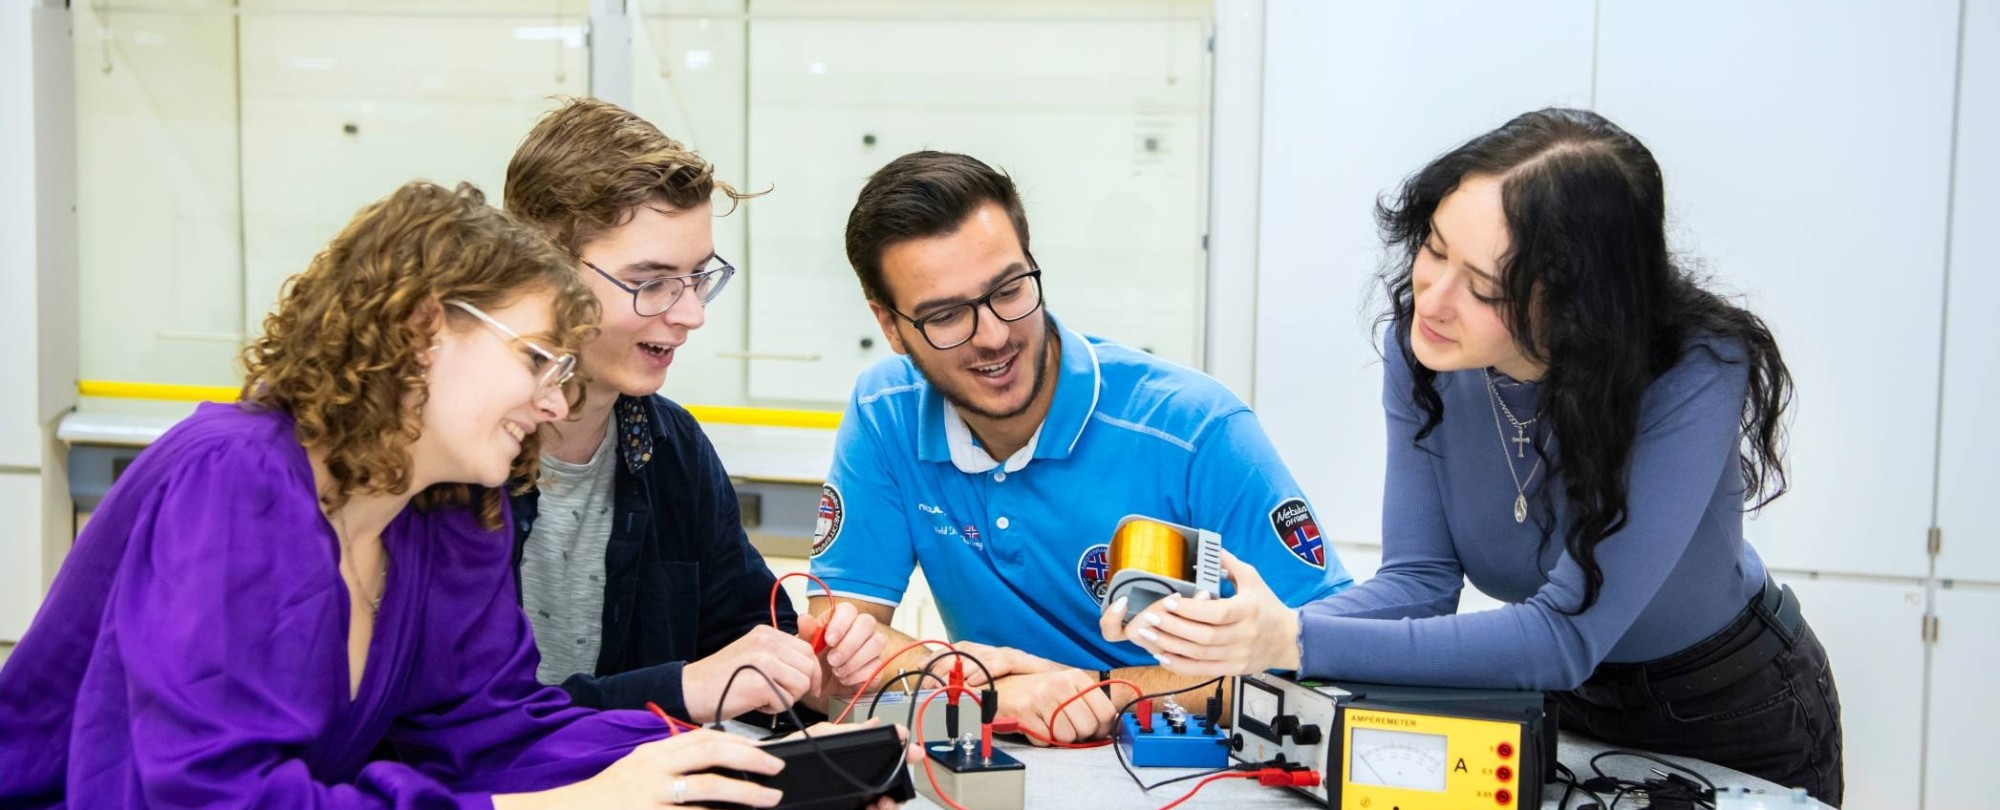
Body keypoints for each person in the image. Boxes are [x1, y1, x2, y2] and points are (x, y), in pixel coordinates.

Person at [1110, 108, 1844, 803]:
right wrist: (1240, 629)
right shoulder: (1427, 353)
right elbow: (1418, 584)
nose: (1432, 298)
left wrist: (1292, 637)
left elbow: (1563, 635)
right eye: (1433, 248)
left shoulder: (1693, 368)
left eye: (1486, 287)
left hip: (1730, 713)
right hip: (1556, 708)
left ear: (1579, 305)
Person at [0, 181, 796, 808]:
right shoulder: (234, 479)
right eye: (538, 363)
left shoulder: (449, 511)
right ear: (423, 329)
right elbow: (213, 795)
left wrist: (744, 773)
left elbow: (491, 729)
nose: (555, 404)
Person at [807, 151, 1354, 744]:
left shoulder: (1194, 429)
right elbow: (836, 644)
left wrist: (1105, 691)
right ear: (889, 326)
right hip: (1007, 766)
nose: (993, 336)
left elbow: (1326, 648)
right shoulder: (884, 412)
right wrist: (987, 690)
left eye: (1009, 290)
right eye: (945, 316)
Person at [502, 97, 886, 722]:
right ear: (543, 270)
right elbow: (452, 724)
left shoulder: (669, 444)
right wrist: (679, 687)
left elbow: (744, 638)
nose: (691, 314)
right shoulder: (456, 461)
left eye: (699, 277)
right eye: (651, 282)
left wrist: (817, 665)